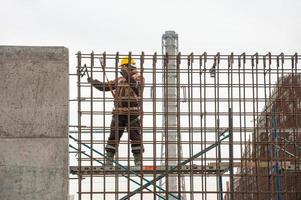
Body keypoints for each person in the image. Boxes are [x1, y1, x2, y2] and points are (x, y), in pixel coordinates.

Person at [87, 56, 144, 167]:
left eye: (123, 66)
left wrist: (127, 76)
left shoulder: (139, 77)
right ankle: (109, 160)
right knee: (113, 137)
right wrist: (94, 82)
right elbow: (105, 87)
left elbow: (137, 88)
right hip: (118, 113)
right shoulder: (119, 79)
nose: (121, 68)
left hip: (132, 113)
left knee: (135, 137)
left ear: (128, 66)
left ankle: (138, 161)